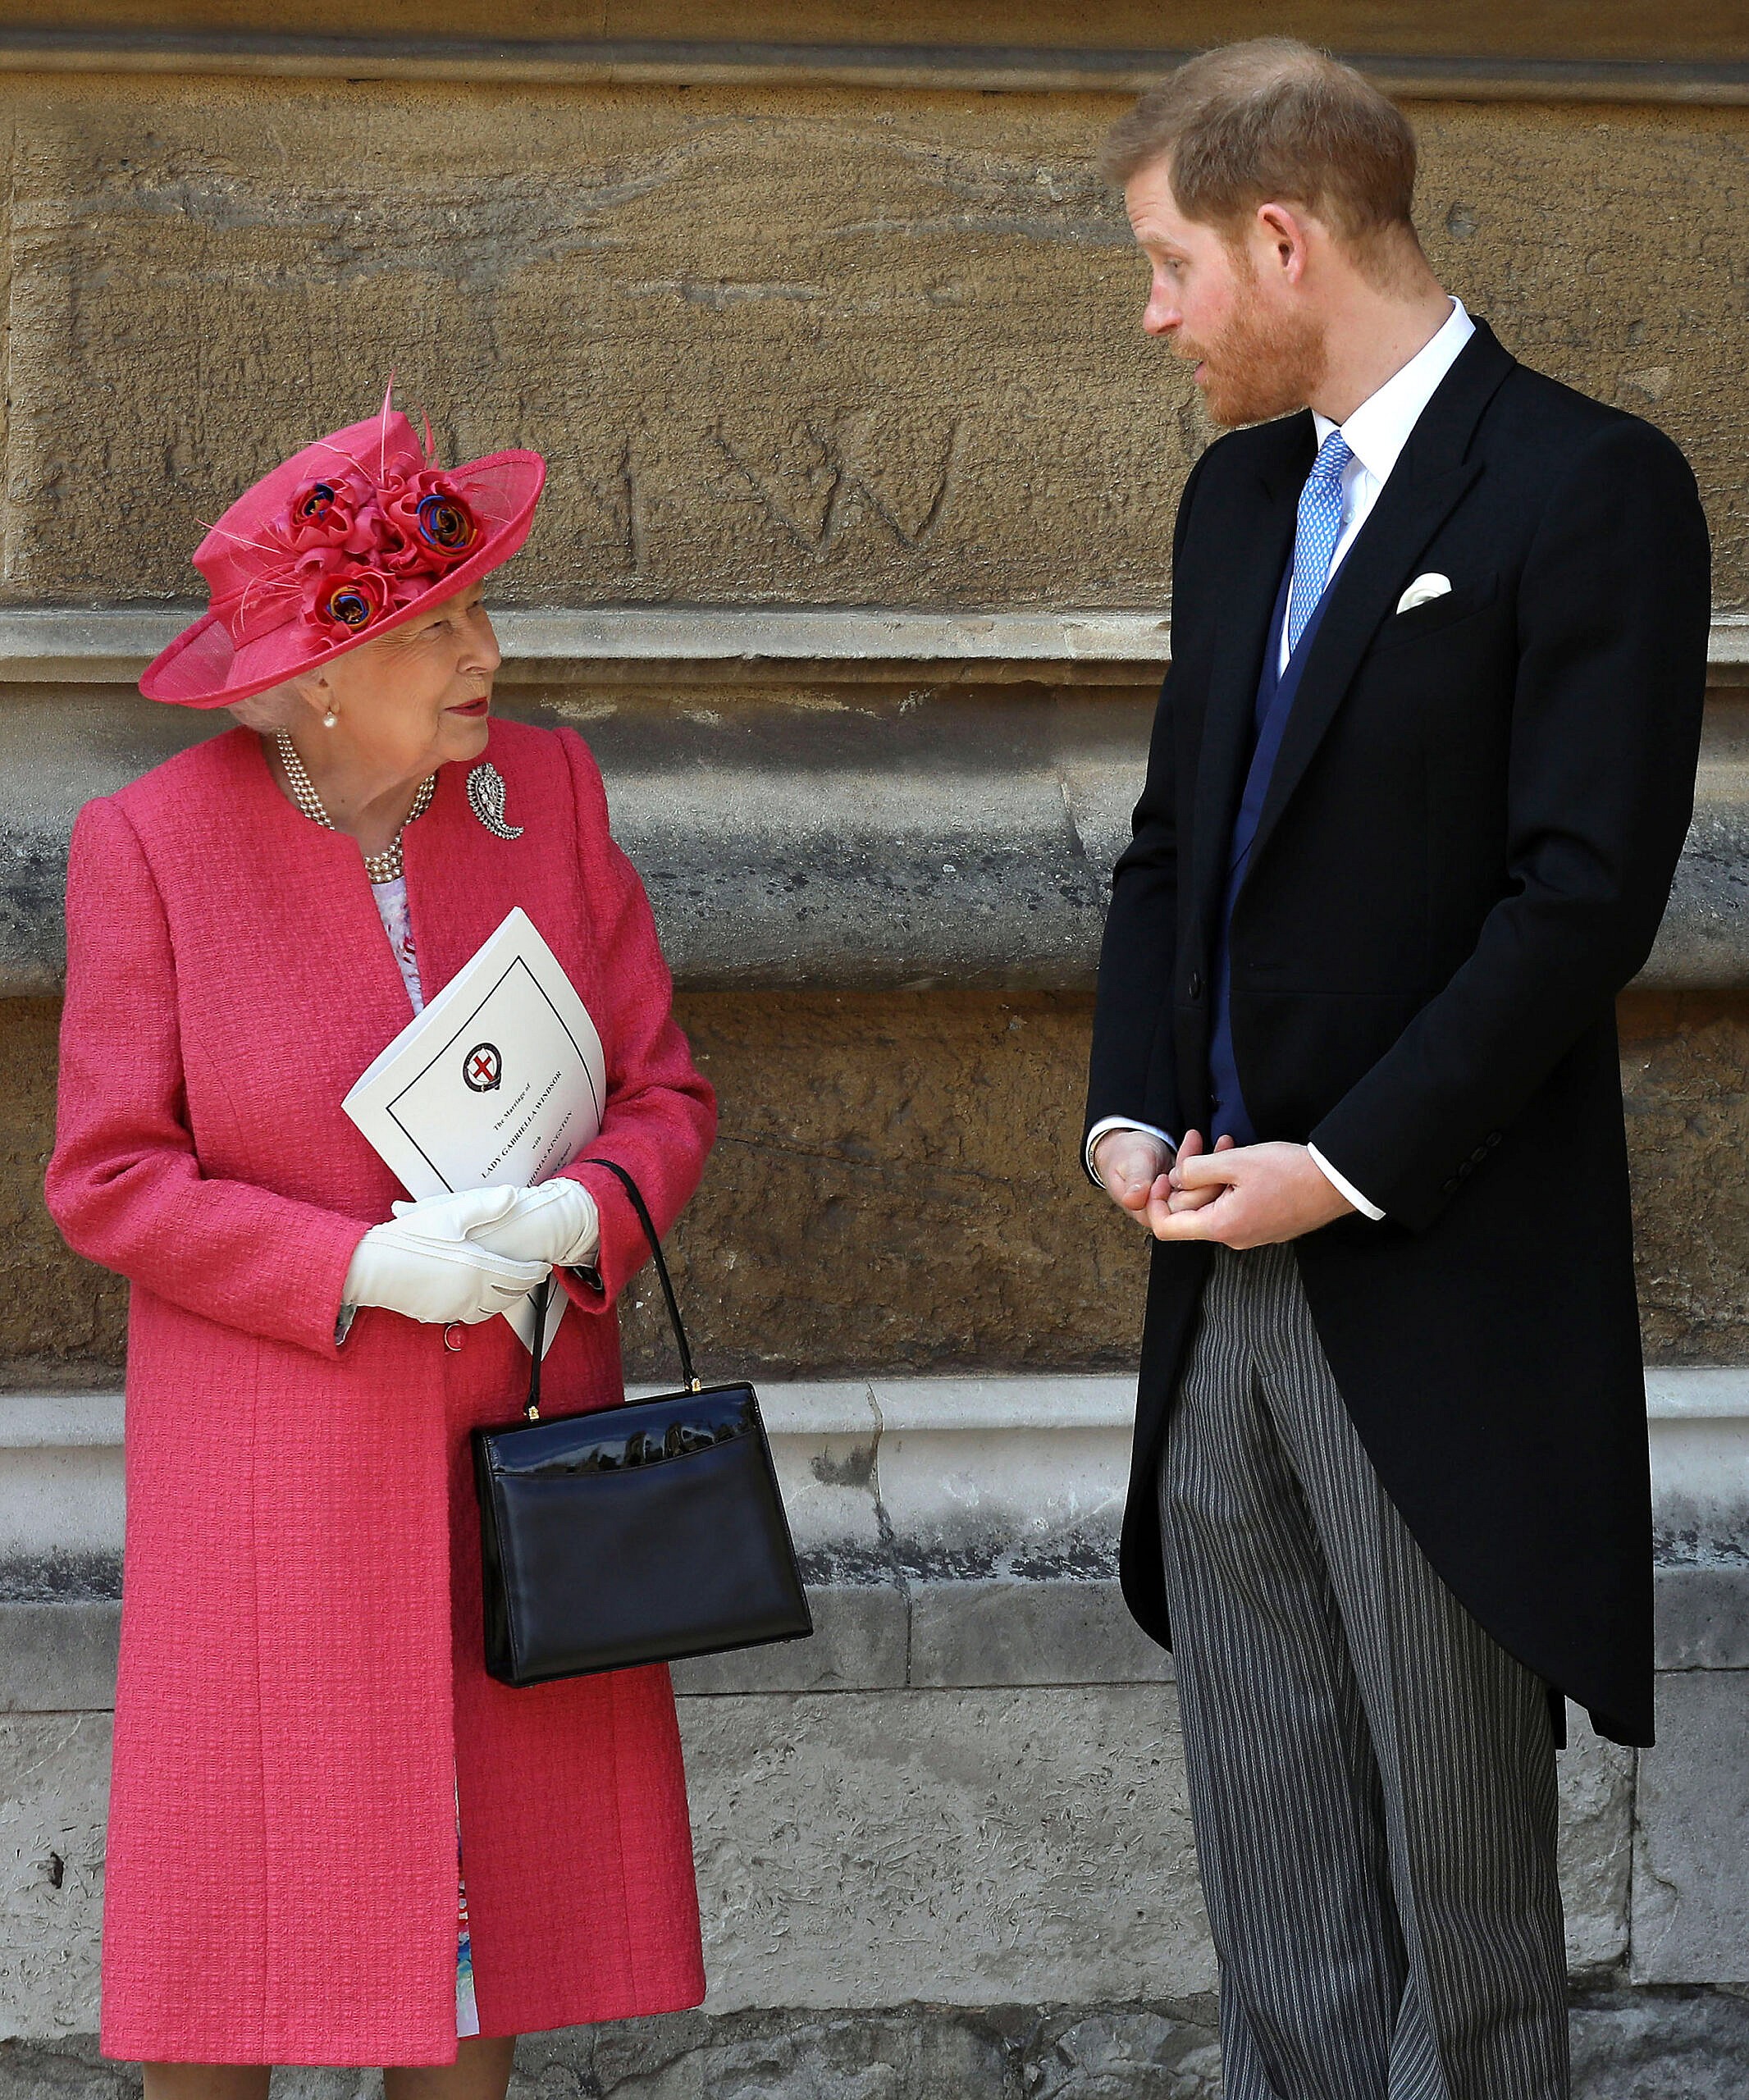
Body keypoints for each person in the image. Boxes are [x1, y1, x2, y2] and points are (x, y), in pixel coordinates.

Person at [1083, 41, 1710, 2100]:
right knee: (1273, 1894)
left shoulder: (1586, 484)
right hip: (1215, 1291)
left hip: (1429, 1290)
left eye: (1174, 261)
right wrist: (1125, 1104)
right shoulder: (1234, 494)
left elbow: (1574, 904)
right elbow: (1176, 843)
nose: (1155, 309)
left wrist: (1338, 1163)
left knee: (1466, 1930)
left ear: (1286, 236)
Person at [45, 401, 717, 2098]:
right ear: (325, 670)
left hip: (509, 1466)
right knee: (228, 1979)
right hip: (271, 1491)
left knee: (475, 1962)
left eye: (482, 608)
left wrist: (582, 1214)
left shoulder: (543, 792)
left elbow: (662, 1094)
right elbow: (109, 1177)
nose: (491, 652)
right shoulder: (154, 845)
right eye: (442, 626)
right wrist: (353, 1268)